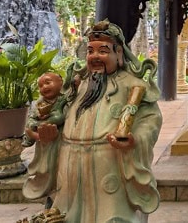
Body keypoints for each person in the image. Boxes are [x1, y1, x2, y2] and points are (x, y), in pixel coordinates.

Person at [23, 20, 162, 223]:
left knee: (113, 216)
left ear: (119, 54)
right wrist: (49, 138)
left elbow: (151, 120)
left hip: (110, 165)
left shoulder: (133, 86)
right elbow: (57, 118)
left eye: (103, 51)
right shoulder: (77, 86)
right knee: (67, 216)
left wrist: (136, 140)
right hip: (71, 166)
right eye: (90, 51)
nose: (95, 57)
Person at [23, 72, 66, 147]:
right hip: (39, 120)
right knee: (29, 123)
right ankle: (30, 139)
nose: (44, 87)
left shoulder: (62, 97)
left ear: (60, 83)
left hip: (54, 117)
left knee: (59, 117)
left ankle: (40, 128)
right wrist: (39, 115)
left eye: (48, 83)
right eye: (40, 86)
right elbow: (35, 111)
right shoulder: (41, 100)